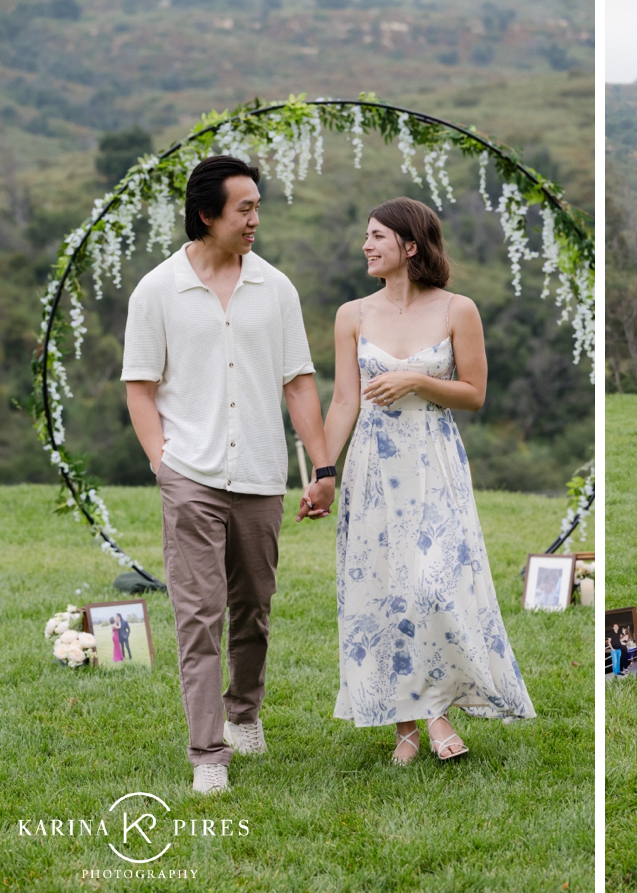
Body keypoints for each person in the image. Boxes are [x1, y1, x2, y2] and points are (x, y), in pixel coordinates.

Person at [123, 155, 335, 795]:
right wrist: (162, 463)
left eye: (258, 206)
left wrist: (322, 467)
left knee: (252, 610)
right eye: (244, 208)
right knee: (198, 613)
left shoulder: (277, 288)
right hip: (189, 472)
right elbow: (140, 387)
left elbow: (298, 383)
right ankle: (207, 753)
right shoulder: (157, 290)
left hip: (261, 474)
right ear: (206, 214)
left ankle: (245, 712)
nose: (255, 219)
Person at [321, 197, 535, 765]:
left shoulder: (457, 309)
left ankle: (437, 711)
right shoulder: (352, 314)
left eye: (377, 237)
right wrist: (324, 470)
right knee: (384, 591)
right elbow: (344, 399)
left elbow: (474, 393)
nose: (366, 245)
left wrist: (415, 379)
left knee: (431, 584)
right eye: (366, 236)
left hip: (433, 461)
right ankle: (409, 729)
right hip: (371, 464)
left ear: (410, 246)